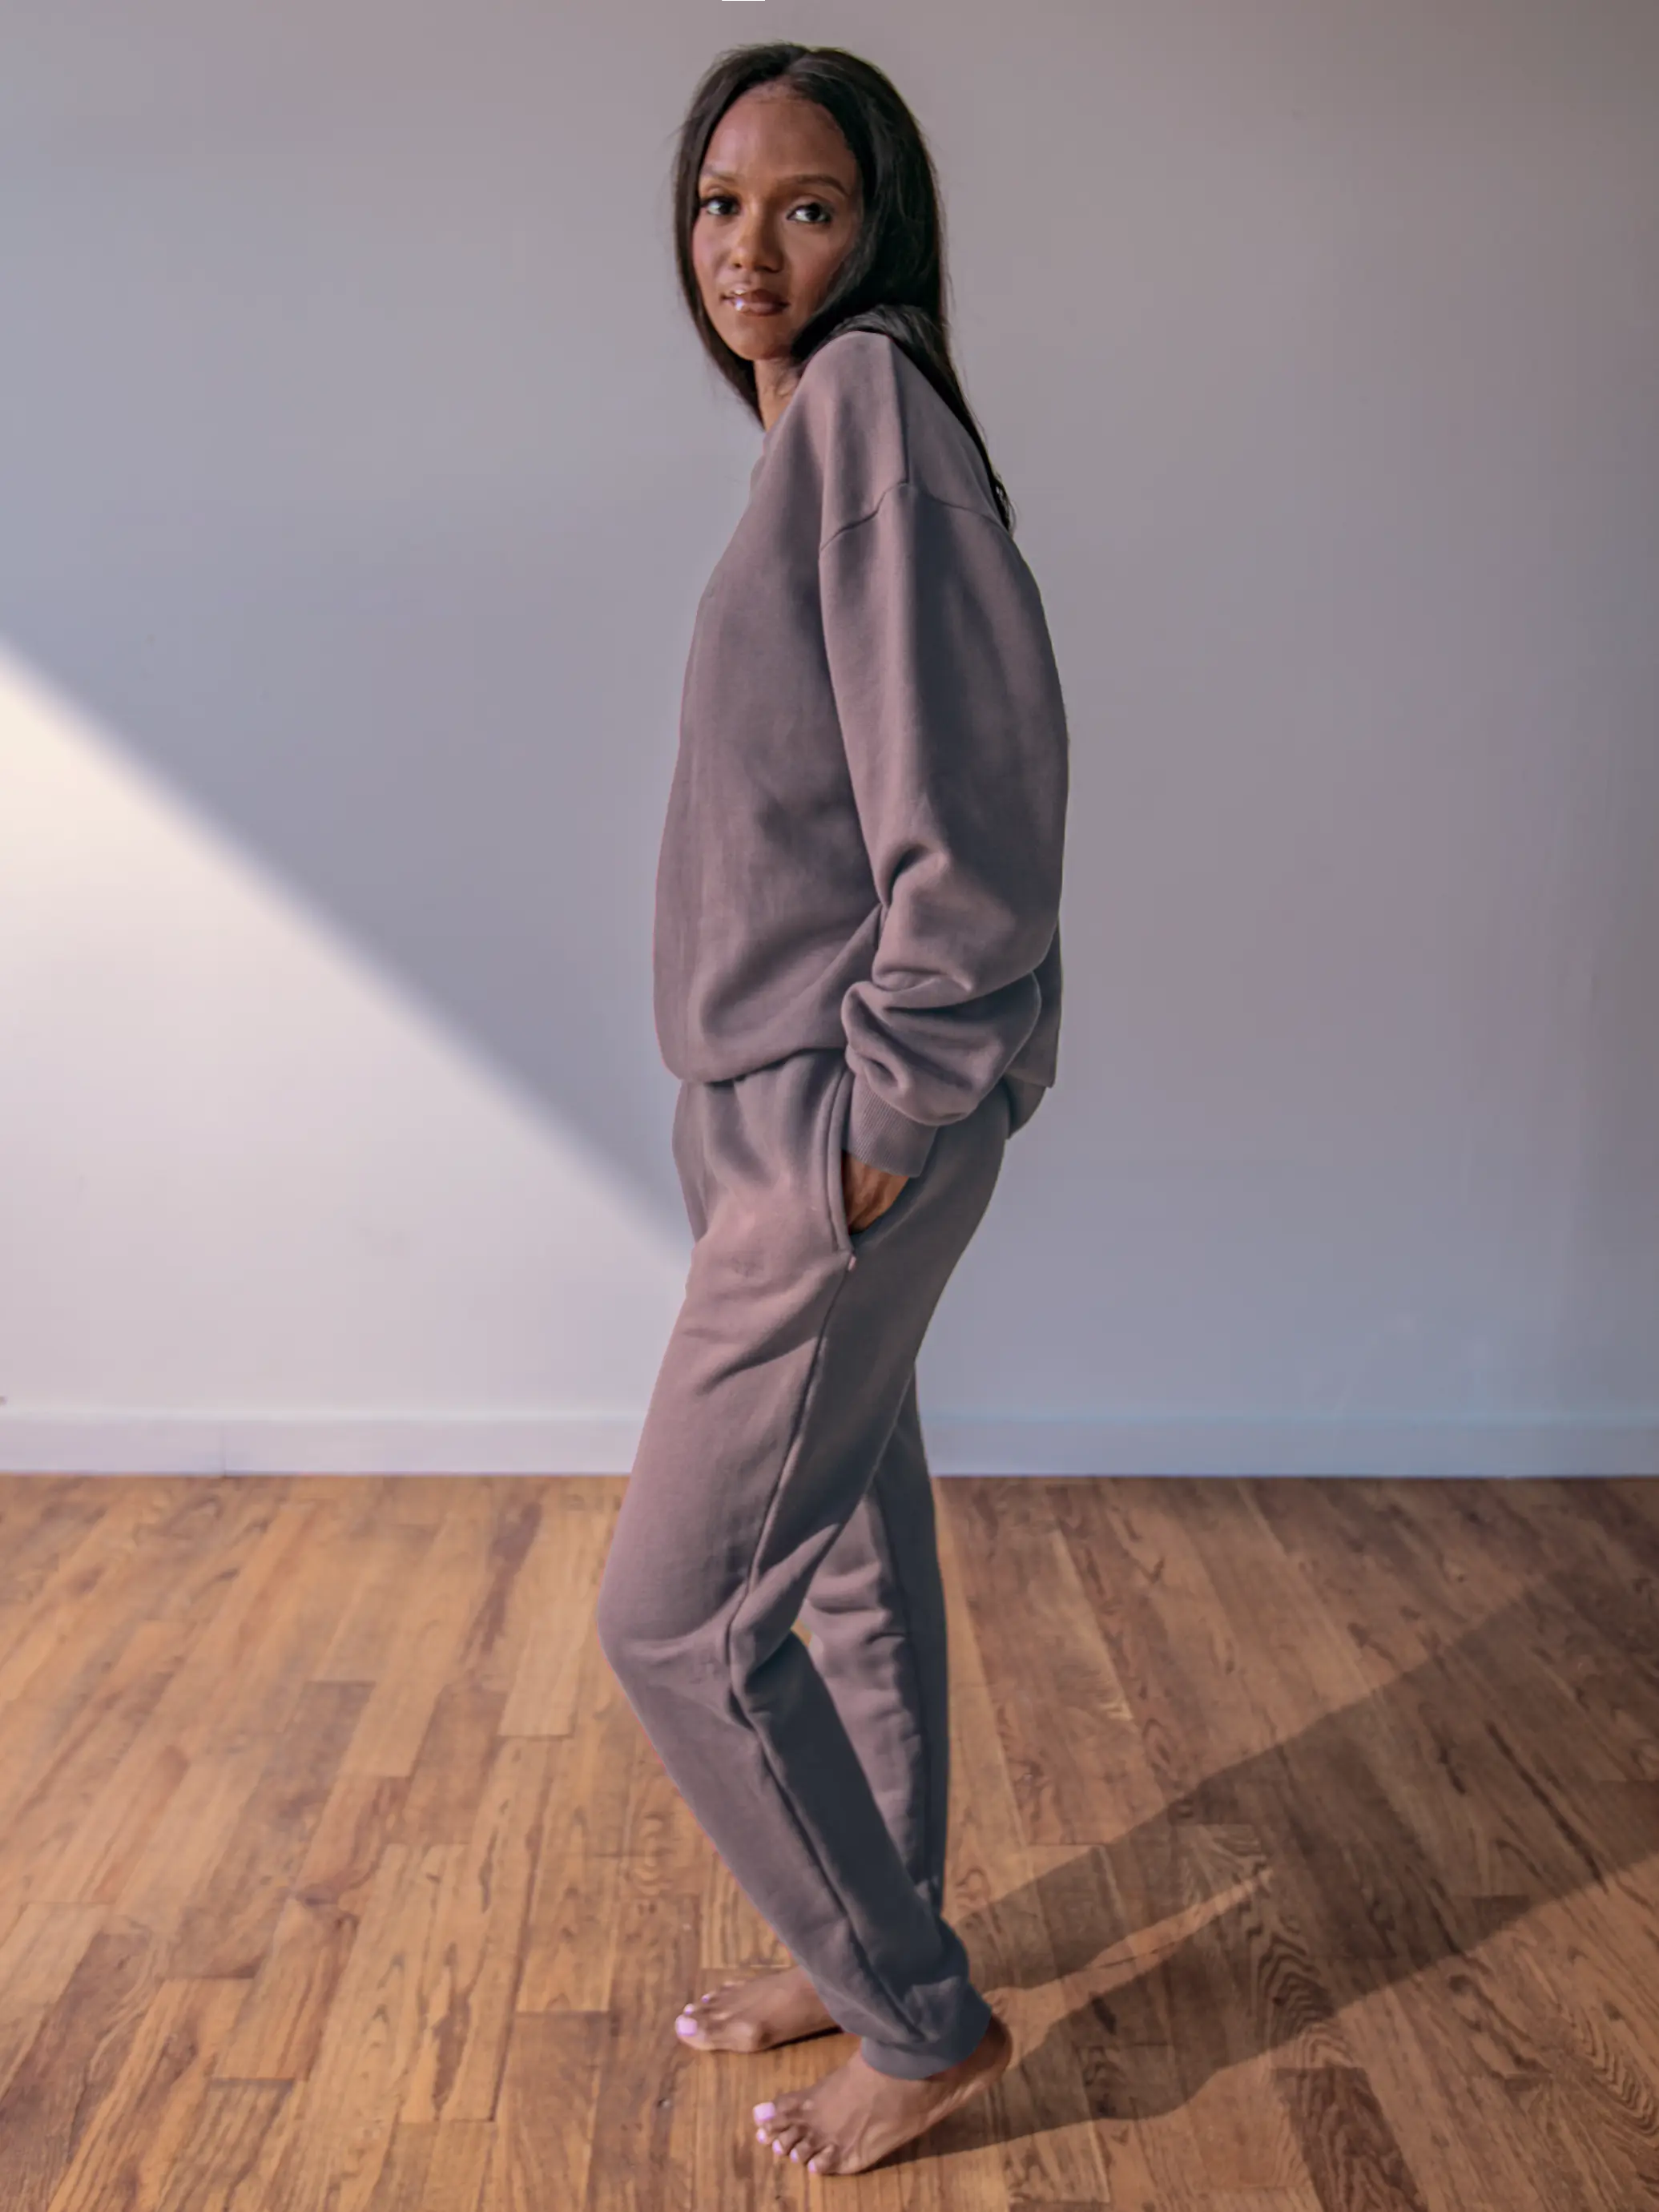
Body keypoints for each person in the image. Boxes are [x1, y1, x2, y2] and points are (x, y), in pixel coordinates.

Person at [594, 39, 1069, 2178]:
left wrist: (888, 1104)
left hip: (841, 1115)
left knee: (675, 1617)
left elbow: (966, 814)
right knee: (846, 1557)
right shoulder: (810, 443)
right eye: (716, 203)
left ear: (879, 224)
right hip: (776, 1104)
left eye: (801, 204)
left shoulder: (870, 411)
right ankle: (853, 1919)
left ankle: (916, 2017)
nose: (746, 248)